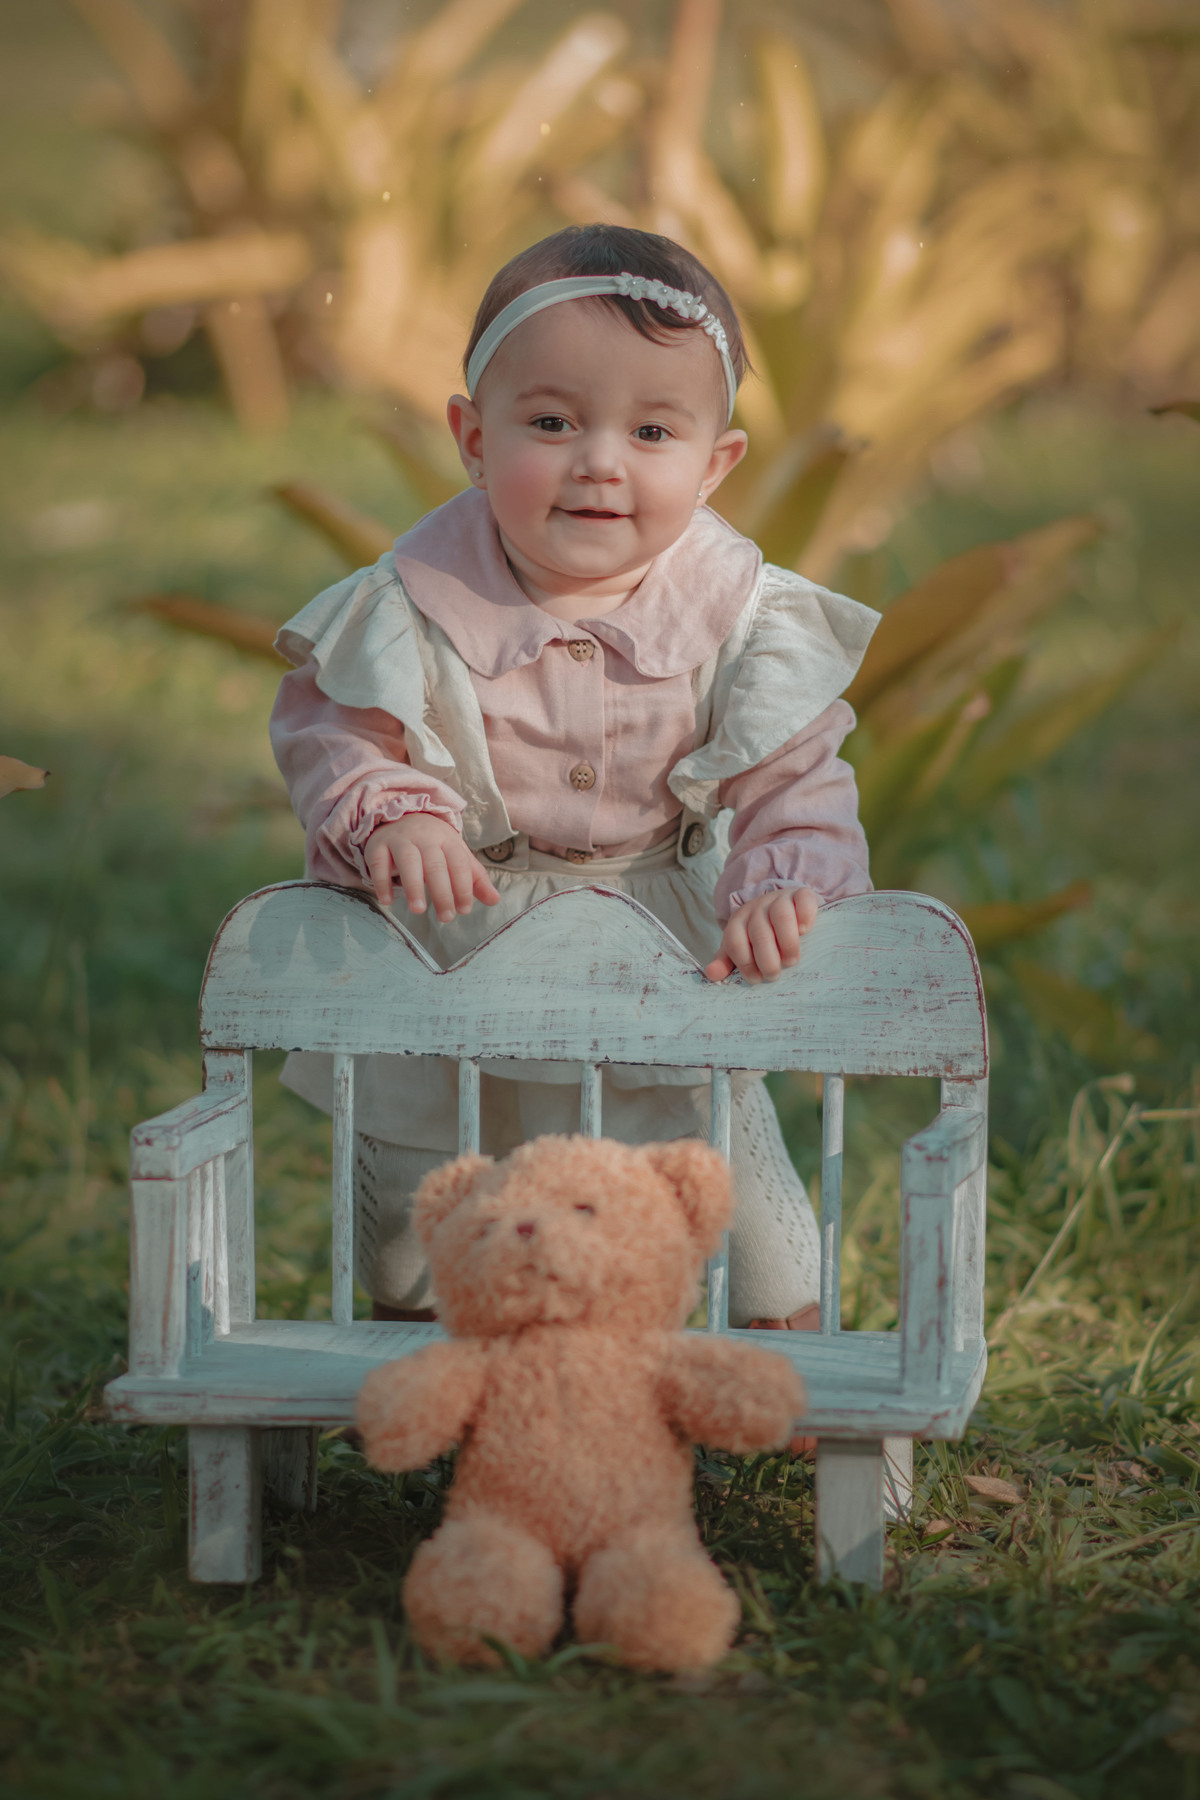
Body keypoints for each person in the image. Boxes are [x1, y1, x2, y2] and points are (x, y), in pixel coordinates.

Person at [270, 224, 879, 1332]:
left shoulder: (741, 613)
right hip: (454, 922)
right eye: (550, 423)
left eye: (652, 430)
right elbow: (332, 731)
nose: (600, 460)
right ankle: (434, 1370)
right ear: (471, 434)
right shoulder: (407, 603)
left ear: (714, 462)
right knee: (422, 1216)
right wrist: (393, 811)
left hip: (661, 933)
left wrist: (782, 881)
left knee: (739, 1206)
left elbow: (796, 773)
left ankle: (788, 1355)